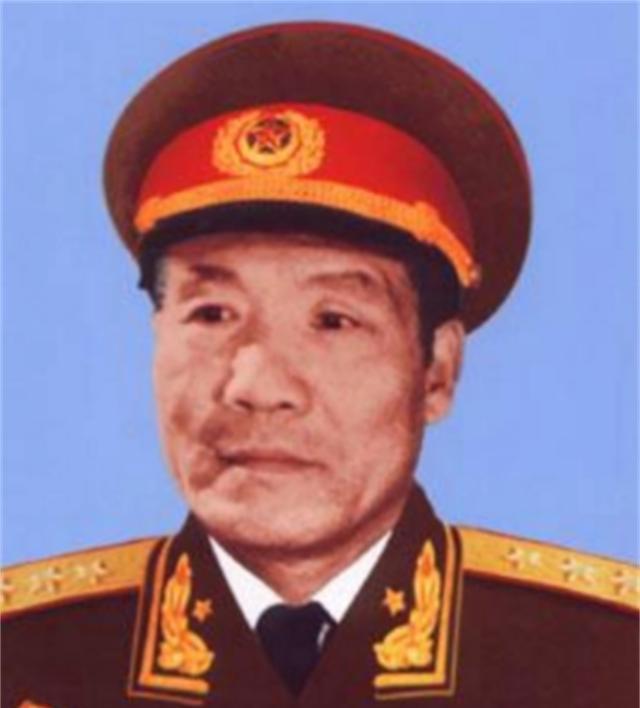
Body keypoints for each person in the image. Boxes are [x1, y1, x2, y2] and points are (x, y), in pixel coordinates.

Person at [2, 21, 637, 708]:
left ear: (437, 370)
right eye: (211, 314)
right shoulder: (26, 657)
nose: (255, 385)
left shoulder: (602, 662)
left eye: (333, 321)